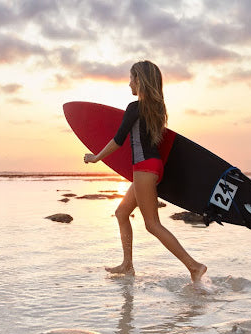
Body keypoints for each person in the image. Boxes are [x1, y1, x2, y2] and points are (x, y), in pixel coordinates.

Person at [83, 60, 207, 283]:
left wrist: (96, 157)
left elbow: (118, 140)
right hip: (153, 166)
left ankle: (194, 266)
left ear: (139, 80)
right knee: (122, 213)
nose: (129, 83)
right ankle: (127, 265)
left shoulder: (134, 108)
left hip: (143, 168)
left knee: (152, 224)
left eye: (131, 78)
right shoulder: (156, 109)